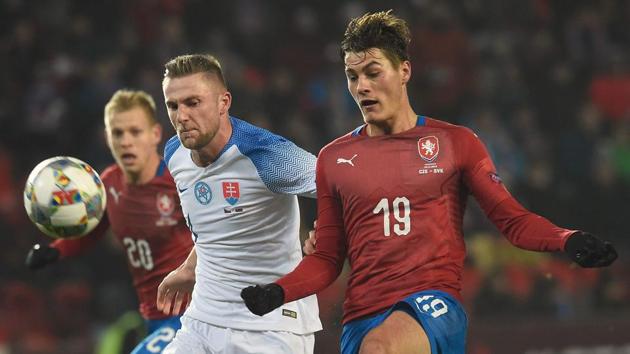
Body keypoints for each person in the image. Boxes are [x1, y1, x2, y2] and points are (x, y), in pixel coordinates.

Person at [240, 10, 619, 354]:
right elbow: (326, 258)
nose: (362, 87)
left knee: (380, 349)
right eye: (352, 76)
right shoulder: (333, 159)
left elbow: (512, 220)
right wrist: (278, 292)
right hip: (361, 318)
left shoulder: (455, 143)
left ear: (404, 71)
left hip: (433, 305)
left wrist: (567, 239)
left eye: (373, 72)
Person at [157, 53, 321, 354]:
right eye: (173, 105)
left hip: (271, 326)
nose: (181, 116)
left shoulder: (267, 155)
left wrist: (332, 230)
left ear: (223, 102)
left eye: (193, 103)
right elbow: (214, 224)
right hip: (203, 319)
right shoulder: (175, 154)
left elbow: (346, 184)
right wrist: (189, 268)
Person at [25, 89, 194, 354]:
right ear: (107, 137)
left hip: (193, 312)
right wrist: (55, 250)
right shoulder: (107, 183)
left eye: (135, 132)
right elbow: (92, 230)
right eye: (118, 133)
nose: (126, 141)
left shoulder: (179, 182)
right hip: (154, 316)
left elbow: (215, 232)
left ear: (155, 134)